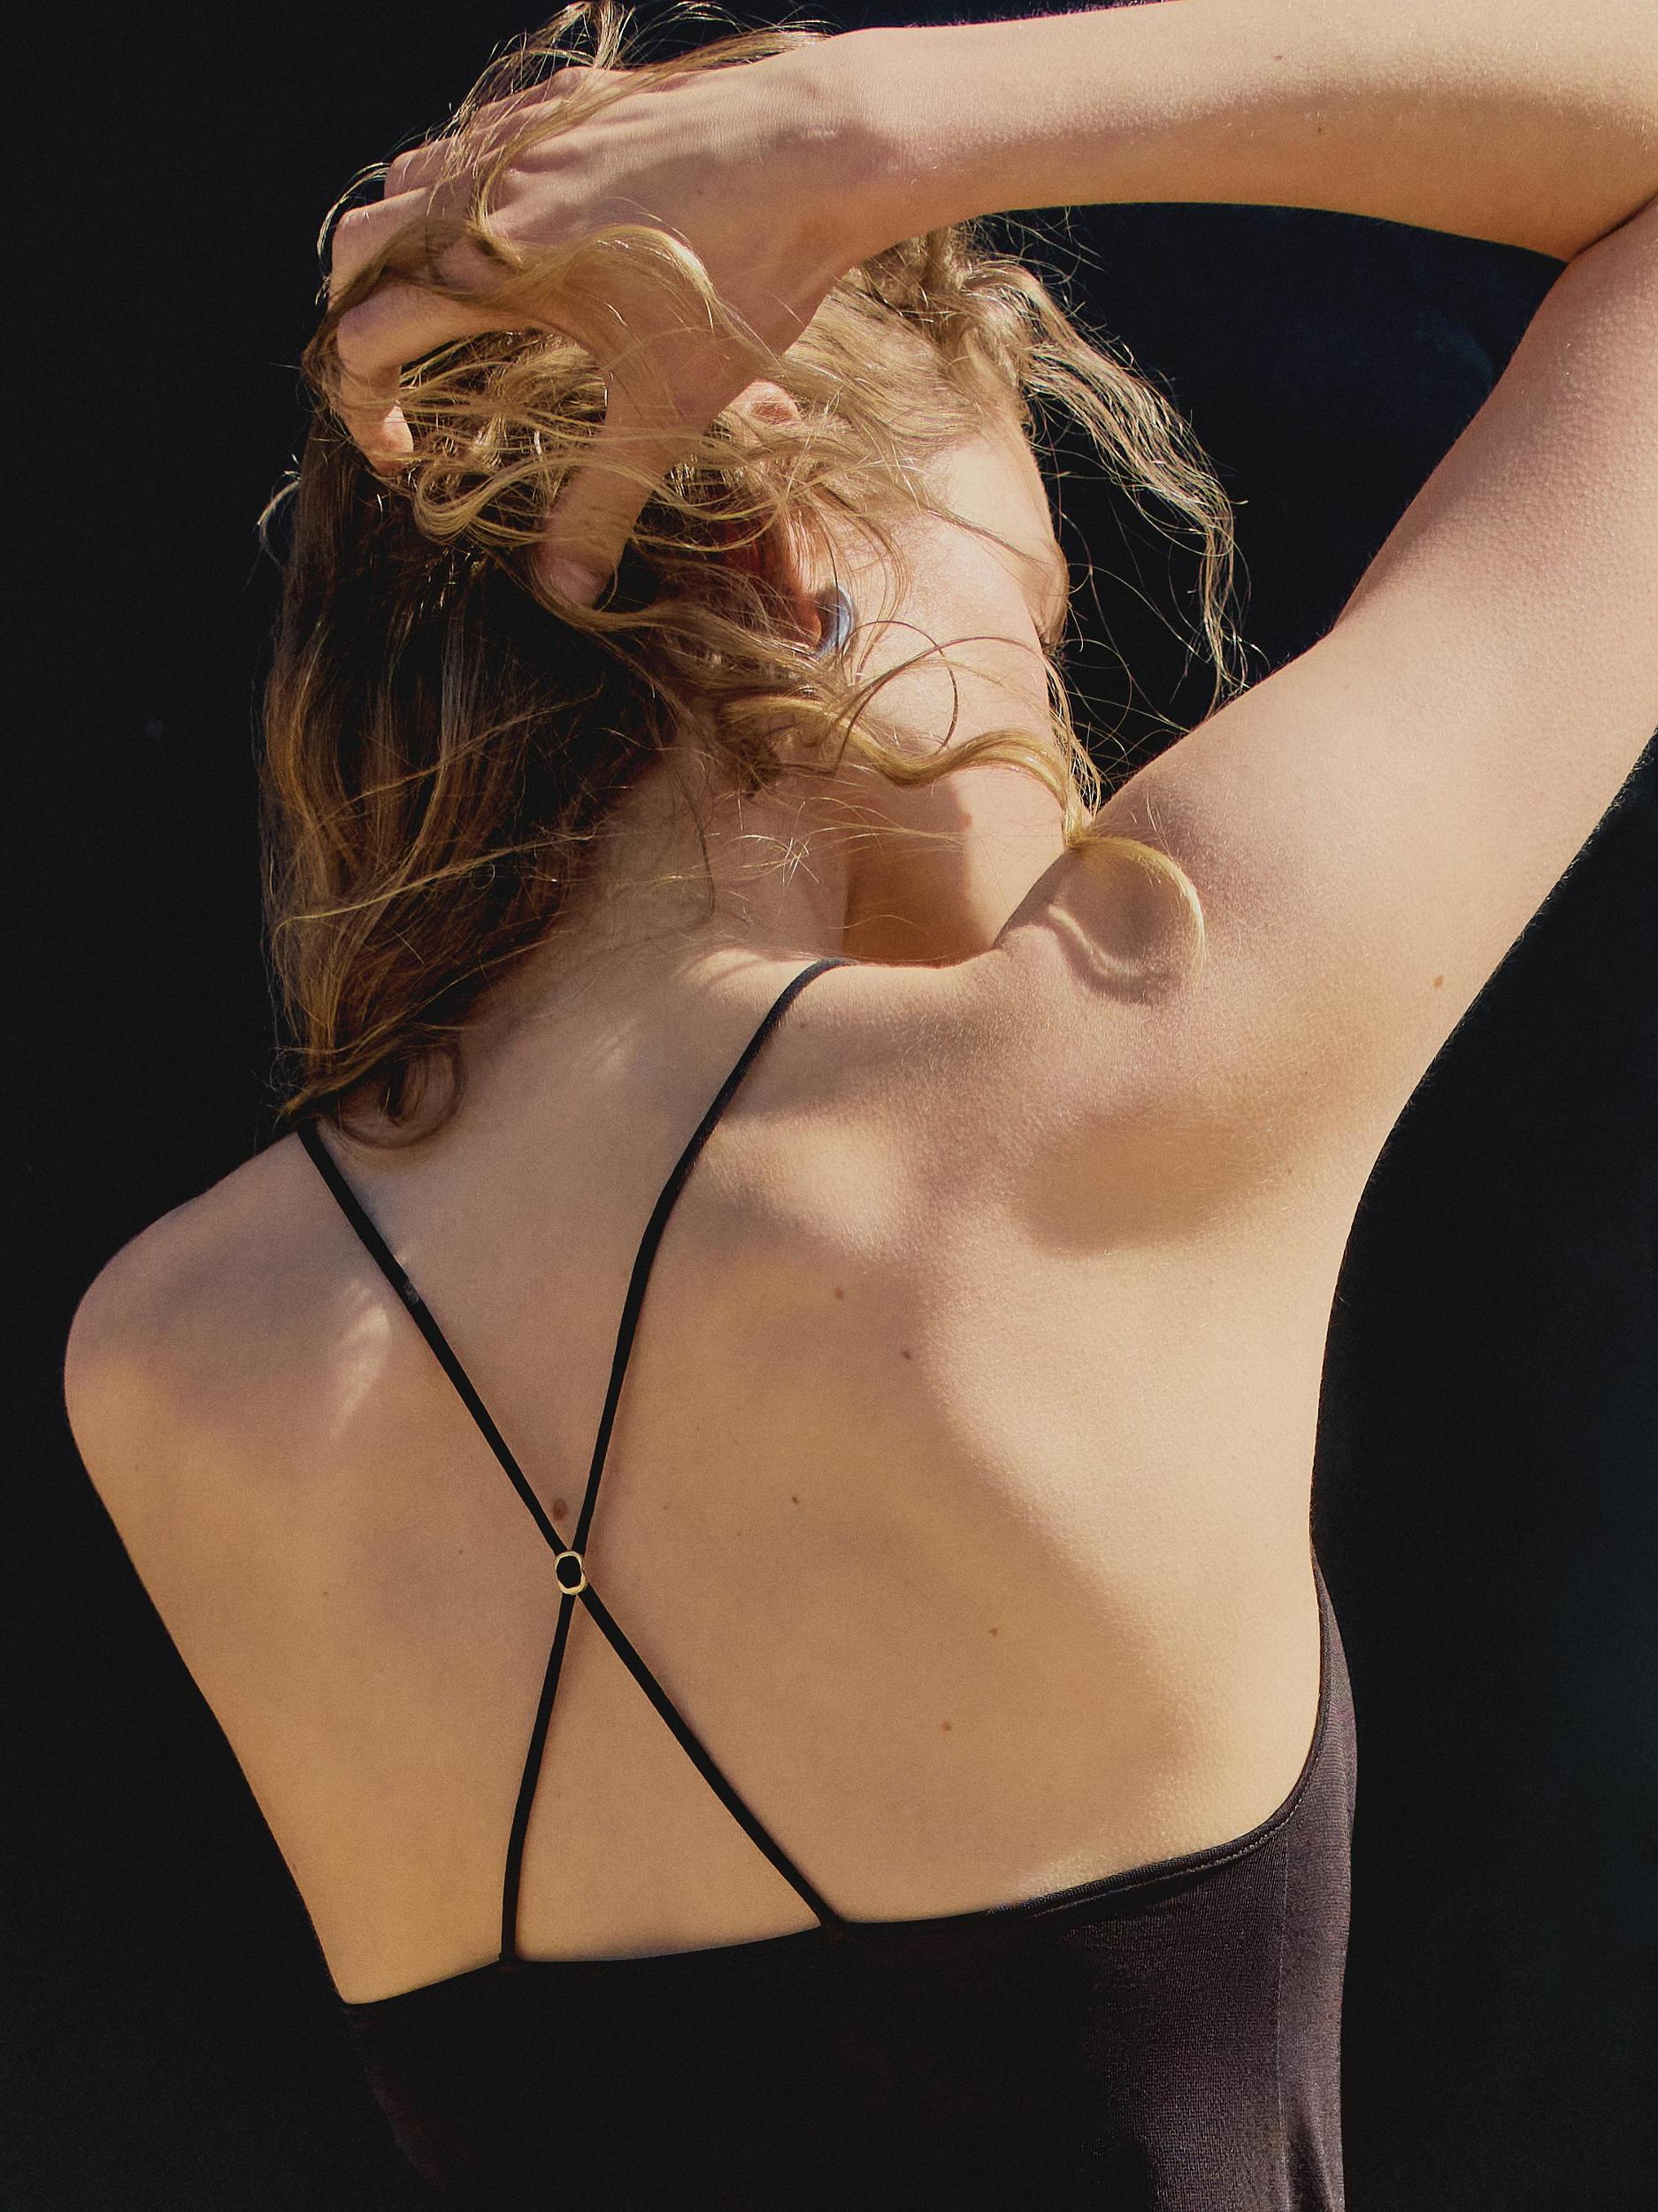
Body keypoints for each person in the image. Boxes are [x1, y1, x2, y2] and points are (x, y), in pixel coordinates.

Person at [63, 2, 1658, 2204]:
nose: (1065, 747)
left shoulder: (169, 1358)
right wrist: (885, 119)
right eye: (1034, 628)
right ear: (801, 555)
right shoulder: (1102, 1068)